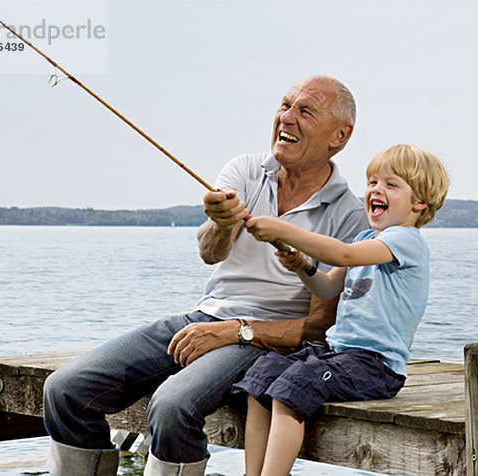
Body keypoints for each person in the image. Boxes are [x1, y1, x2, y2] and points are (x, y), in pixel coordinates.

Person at [42, 75, 370, 476]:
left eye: (305, 111)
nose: (287, 117)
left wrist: (235, 331)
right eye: (284, 105)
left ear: (339, 135)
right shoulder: (245, 169)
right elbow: (210, 253)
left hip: (267, 340)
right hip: (203, 316)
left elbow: (319, 327)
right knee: (64, 390)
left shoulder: (349, 213)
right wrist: (219, 222)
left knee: (172, 406)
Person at [235, 144, 450, 476]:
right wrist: (302, 267)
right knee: (264, 375)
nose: (377, 190)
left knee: (295, 385)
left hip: (375, 366)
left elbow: (342, 256)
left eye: (391, 185)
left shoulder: (406, 240)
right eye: (373, 182)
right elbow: (328, 287)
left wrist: (283, 229)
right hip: (338, 354)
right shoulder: (366, 236)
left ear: (419, 202)